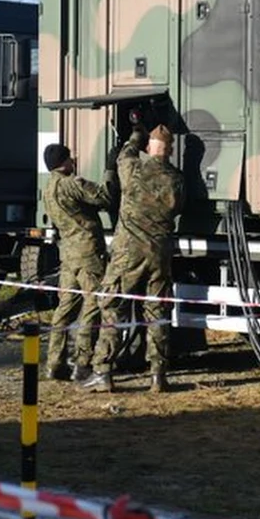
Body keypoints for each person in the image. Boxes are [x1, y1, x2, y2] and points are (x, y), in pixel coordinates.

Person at [82, 123, 186, 393]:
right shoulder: (177, 178)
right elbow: (178, 209)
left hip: (128, 252)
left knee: (113, 308)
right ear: (171, 149)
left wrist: (135, 134)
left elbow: (123, 154)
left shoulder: (134, 169)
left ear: (150, 147)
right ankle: (158, 376)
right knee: (157, 312)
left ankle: (103, 372)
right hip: (160, 253)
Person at [41, 143, 114, 382]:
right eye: (71, 159)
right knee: (93, 303)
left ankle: (54, 362)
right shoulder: (71, 183)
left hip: (68, 254)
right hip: (87, 253)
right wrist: (110, 171)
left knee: (65, 308)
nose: (74, 162)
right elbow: (104, 197)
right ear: (65, 162)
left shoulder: (48, 186)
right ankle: (82, 362)